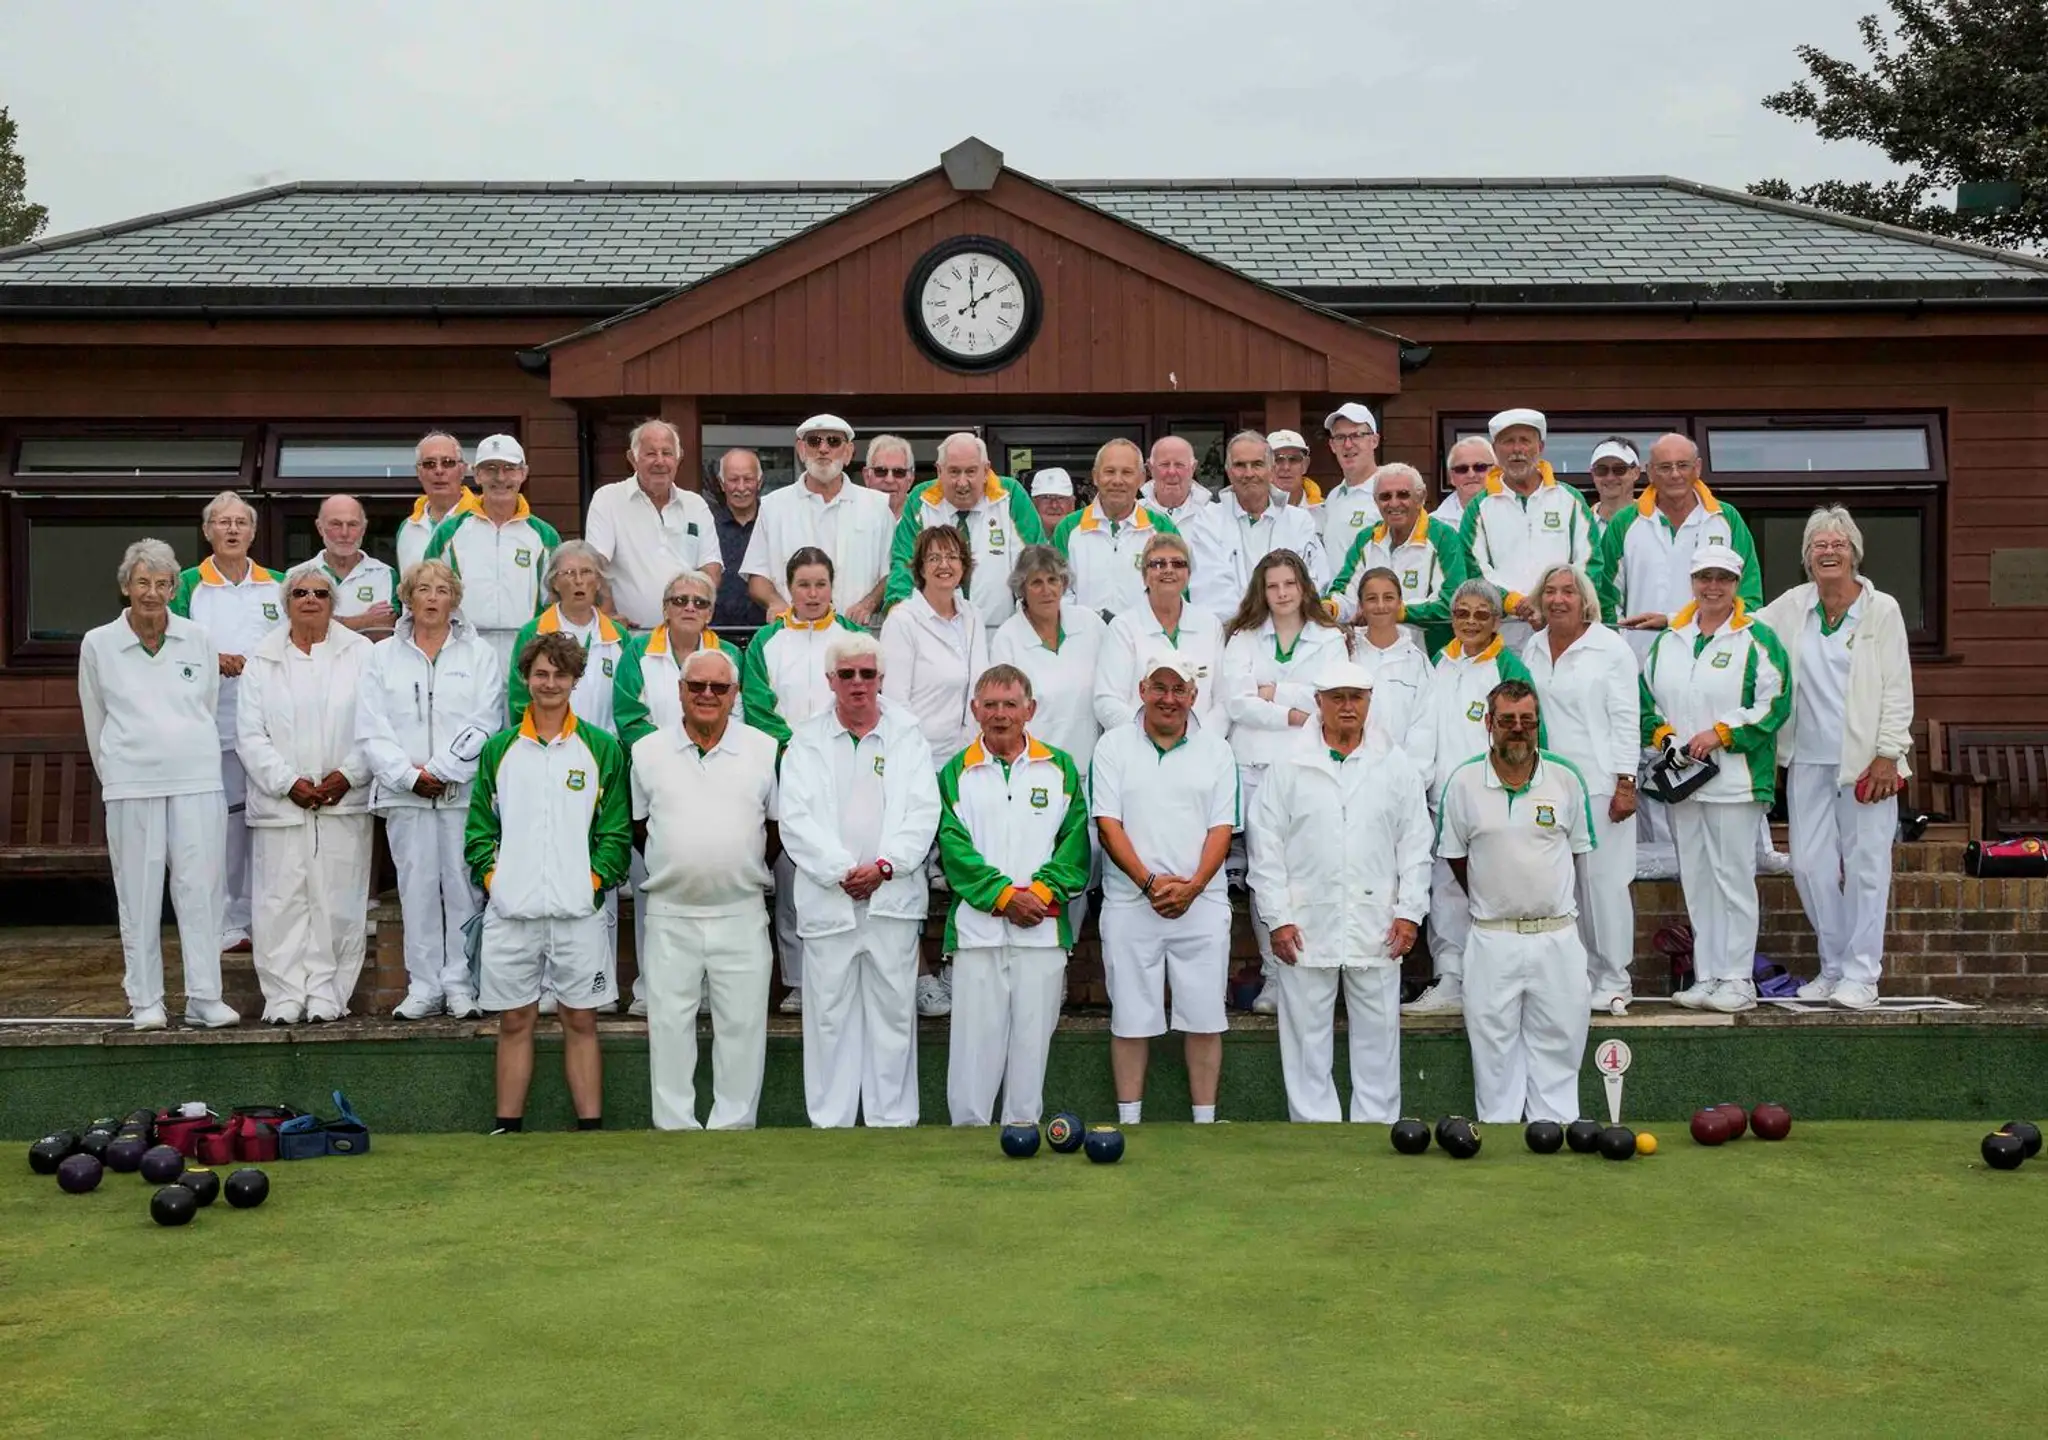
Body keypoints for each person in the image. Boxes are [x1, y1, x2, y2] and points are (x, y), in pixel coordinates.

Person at [1247, 660, 1430, 1122]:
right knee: (1306, 1037)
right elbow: (1265, 847)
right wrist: (1278, 917)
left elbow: (1415, 845)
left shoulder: (1396, 764)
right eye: (1337, 697)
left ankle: (1378, 1126)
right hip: (1306, 924)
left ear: (1370, 701)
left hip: (1378, 923)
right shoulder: (1287, 766)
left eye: (1356, 697)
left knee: (1379, 1035)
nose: (1347, 706)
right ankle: (1314, 1129)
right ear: (1319, 703)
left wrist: (1410, 913)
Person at [466, 631, 632, 1133]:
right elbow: (478, 830)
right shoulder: (498, 750)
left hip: (578, 912)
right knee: (515, 1020)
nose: (550, 683)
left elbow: (616, 831)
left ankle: (590, 1130)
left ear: (575, 680)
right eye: (541, 673)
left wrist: (592, 882)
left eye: (561, 674)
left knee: (580, 1020)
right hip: (512, 913)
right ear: (526, 678)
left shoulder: (601, 748)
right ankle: (507, 1126)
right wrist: (497, 880)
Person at [778, 633, 941, 1127]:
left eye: (867, 674)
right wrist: (841, 872)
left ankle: (892, 1119)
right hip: (830, 900)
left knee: (893, 1013)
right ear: (830, 680)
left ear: (880, 680)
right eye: (846, 674)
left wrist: (884, 868)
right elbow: (795, 819)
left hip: (891, 898)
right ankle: (831, 1120)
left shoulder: (908, 734)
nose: (857, 683)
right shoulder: (805, 739)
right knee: (828, 1017)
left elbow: (922, 812)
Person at [1759, 506, 1914, 1011]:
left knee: (1868, 867)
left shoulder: (1881, 609)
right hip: (1807, 759)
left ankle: (1863, 973)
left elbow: (1896, 687)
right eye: (1819, 545)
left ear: (1854, 553)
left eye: (1838, 544)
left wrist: (1889, 754)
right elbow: (1736, 625)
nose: (1829, 551)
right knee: (1808, 866)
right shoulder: (1793, 605)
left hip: (1868, 763)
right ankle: (1833, 966)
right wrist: (1674, 620)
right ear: (1806, 558)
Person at [79, 539, 239, 1031]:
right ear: (126, 586)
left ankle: (204, 998)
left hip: (195, 779)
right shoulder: (98, 643)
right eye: (142, 582)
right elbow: (95, 718)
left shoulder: (198, 638)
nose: (152, 593)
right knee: (139, 894)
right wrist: (119, 773)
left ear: (174, 588)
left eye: (162, 583)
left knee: (201, 891)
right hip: (131, 783)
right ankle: (145, 999)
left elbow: (205, 706)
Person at [631, 647, 781, 1129]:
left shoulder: (763, 748)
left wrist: (734, 865)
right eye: (697, 686)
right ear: (679, 691)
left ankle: (733, 1128)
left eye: (719, 687)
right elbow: (639, 827)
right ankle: (673, 1127)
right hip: (671, 912)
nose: (708, 695)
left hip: (741, 911)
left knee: (741, 1028)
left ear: (735, 694)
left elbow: (775, 831)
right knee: (669, 1028)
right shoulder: (645, 752)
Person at [936, 665, 1092, 1126]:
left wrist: (1039, 895)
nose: (1000, 714)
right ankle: (967, 1133)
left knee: (1031, 1042)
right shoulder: (955, 771)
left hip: (1041, 933)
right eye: (990, 704)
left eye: (1010, 704)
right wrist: (1004, 897)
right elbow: (953, 847)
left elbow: (1076, 843)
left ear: (1030, 710)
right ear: (974, 710)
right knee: (973, 1045)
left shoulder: (1059, 766)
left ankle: (1021, 1131)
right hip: (978, 934)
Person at [1436, 680, 1597, 1124]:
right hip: (1492, 937)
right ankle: (1499, 1130)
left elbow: (1578, 851)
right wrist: (1496, 897)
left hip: (1557, 935)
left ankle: (1558, 1129)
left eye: (1527, 721)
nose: (1518, 730)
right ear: (1489, 724)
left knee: (1561, 1043)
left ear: (1538, 725)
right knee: (1493, 1049)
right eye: (1507, 721)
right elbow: (1454, 856)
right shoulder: (1464, 781)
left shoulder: (1565, 777)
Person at [1639, 544, 1792, 1013]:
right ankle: (1706, 974)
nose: (1713, 586)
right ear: (1692, 582)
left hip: (1735, 781)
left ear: (1736, 584)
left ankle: (1738, 978)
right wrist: (1664, 735)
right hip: (1684, 780)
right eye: (1704, 577)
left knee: (1733, 878)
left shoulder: (1757, 638)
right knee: (1699, 879)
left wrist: (1722, 733)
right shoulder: (1671, 639)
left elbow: (1774, 703)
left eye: (1722, 578)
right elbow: (1647, 701)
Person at [1090, 652, 1239, 1124]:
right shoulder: (1112, 746)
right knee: (1131, 1018)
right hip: (1132, 903)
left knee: (1204, 1018)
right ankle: (1130, 1122)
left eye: (1179, 690)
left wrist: (1192, 887)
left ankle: (1205, 1124)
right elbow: (1108, 825)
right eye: (1160, 688)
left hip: (1203, 902)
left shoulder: (1217, 750)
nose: (1168, 699)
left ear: (1194, 696)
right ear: (1142, 690)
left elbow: (1222, 829)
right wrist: (1150, 883)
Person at [356, 558, 502, 1020]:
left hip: (460, 792)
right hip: (405, 794)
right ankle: (423, 986)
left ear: (455, 599)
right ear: (408, 597)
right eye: (423, 589)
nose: (433, 597)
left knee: (462, 886)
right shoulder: (381, 656)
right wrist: (410, 776)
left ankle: (460, 983)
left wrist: (443, 769)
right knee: (416, 888)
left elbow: (486, 722)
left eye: (442, 589)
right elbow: (371, 727)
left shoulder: (479, 655)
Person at [234, 567, 374, 1024]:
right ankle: (284, 996)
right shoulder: (262, 658)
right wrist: (287, 782)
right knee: (280, 902)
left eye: (320, 593)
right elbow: (250, 736)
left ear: (333, 602)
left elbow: (377, 725)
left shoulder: (361, 653)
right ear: (286, 602)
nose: (310, 599)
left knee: (337, 899)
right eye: (300, 592)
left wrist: (347, 775)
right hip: (281, 804)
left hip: (341, 800)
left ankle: (328, 994)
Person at [1220, 549, 1352, 1013]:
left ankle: (1314, 970)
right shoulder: (1242, 637)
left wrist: (1273, 692)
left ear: (1303, 588)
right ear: (1262, 589)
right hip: (1254, 767)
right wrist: (1294, 711)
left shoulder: (1330, 637)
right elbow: (1236, 701)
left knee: (1309, 869)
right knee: (1265, 875)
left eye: (1289, 585)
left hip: (1307, 768)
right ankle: (1276, 975)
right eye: (1272, 586)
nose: (1281, 594)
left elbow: (1330, 696)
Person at [739, 547, 868, 1014]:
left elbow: (869, 695)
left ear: (833, 587)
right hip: (788, 772)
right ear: (788, 588)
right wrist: (795, 748)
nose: (812, 594)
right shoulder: (766, 642)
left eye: (820, 584)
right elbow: (756, 706)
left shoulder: (853, 637)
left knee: (848, 871)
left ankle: (849, 973)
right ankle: (798, 980)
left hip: (848, 773)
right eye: (803, 585)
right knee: (794, 879)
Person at [1403, 579, 1540, 1017]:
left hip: (1492, 804)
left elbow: (1529, 736)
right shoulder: (1438, 662)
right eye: (1462, 613)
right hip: (1439, 802)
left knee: (1489, 891)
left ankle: (1494, 980)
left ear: (1498, 621)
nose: (1470, 622)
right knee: (1443, 891)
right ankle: (1451, 979)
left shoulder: (1509, 668)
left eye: (1482, 614)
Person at [1521, 564, 1641, 1014]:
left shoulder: (1611, 648)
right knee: (1561, 888)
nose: (1557, 599)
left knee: (1604, 885)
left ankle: (1614, 979)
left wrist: (1626, 782)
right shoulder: (1532, 647)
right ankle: (1576, 978)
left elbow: (1628, 718)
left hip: (1600, 784)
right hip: (1547, 785)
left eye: (1567, 591)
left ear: (1584, 599)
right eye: (1549, 591)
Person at [171, 490, 284, 954]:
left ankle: (261, 918)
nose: (232, 530)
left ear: (254, 532)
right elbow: (172, 645)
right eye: (223, 522)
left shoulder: (279, 582)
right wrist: (213, 659)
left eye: (241, 522)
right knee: (220, 828)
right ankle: (222, 921)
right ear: (207, 531)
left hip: (269, 728)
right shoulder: (186, 584)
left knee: (266, 824)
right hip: (210, 726)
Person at [1590, 433, 1761, 661]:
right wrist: (1620, 651)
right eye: (1664, 467)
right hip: (1638, 666)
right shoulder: (1624, 523)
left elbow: (1748, 598)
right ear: (1649, 472)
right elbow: (1603, 600)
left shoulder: (1727, 519)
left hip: (1712, 661)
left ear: (1697, 468)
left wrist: (1674, 621)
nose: (1675, 474)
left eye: (1683, 465)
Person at [422, 434, 558, 673]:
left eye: (509, 468)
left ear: (524, 473)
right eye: (490, 468)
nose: (500, 477)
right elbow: (425, 593)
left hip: (527, 662)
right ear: (476, 474)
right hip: (462, 659)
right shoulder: (450, 531)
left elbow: (556, 601)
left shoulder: (544, 536)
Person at [1459, 409, 1595, 647]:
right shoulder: (1479, 507)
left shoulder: (1570, 500)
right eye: (1508, 442)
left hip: (1563, 630)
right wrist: (1514, 602)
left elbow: (1590, 561)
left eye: (1525, 441)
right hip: (1502, 635)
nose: (1517, 450)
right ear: (1496, 449)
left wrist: (1552, 601)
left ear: (1540, 447)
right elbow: (1474, 568)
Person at [883, 432, 1044, 631]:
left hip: (1000, 633)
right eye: (954, 472)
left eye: (970, 471)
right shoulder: (919, 500)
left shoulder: (1011, 496)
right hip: (933, 632)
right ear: (939, 471)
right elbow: (904, 565)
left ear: (986, 471)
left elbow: (1036, 563)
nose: (962, 482)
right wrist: (899, 616)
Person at [741, 414, 894, 623]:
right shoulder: (773, 506)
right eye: (814, 441)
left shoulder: (877, 507)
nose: (823, 449)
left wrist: (868, 604)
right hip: (793, 633)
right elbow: (757, 576)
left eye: (833, 441)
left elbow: (893, 573)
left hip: (856, 635)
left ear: (848, 453)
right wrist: (775, 603)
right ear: (801, 450)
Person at [583, 419, 722, 632]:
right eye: (650, 454)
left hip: (686, 635)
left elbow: (710, 568)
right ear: (632, 458)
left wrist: (699, 612)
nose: (660, 461)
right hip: (630, 636)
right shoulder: (608, 499)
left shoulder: (696, 505)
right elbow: (595, 563)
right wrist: (608, 614)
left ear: (678, 458)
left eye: (667, 453)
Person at [990, 546, 1108, 783]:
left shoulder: (1091, 624)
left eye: (1053, 580)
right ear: (1022, 588)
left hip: (1092, 772)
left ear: (1064, 584)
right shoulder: (1007, 638)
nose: (1047, 591)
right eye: (1036, 583)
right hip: (1034, 773)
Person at [1095, 532, 1228, 739]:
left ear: (1189, 574)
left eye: (1178, 564)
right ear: (1145, 575)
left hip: (1201, 751)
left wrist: (1198, 740)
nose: (1168, 570)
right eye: (1158, 564)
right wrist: (1151, 737)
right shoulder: (1123, 627)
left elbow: (1224, 700)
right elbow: (1107, 700)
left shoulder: (1210, 626)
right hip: (1139, 749)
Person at [1325, 462, 1471, 650]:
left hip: (1429, 657)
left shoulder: (1444, 537)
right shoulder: (1366, 538)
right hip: (1370, 652)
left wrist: (1397, 611)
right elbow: (1346, 593)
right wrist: (1330, 608)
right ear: (1376, 502)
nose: (1394, 503)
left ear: (1421, 498)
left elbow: (1453, 601)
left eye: (1403, 495)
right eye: (1385, 497)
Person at [1185, 431, 1327, 617]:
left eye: (1257, 464)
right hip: (1230, 637)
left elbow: (1314, 582)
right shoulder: (1208, 520)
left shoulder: (1300, 521)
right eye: (1240, 465)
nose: (1249, 473)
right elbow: (1210, 592)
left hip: (1292, 635)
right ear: (1228, 471)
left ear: (1271, 469)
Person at [615, 568, 746, 750]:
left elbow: (737, 715)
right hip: (654, 760)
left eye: (700, 603)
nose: (690, 608)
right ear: (665, 609)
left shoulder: (730, 654)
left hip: (716, 759)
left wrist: (704, 752)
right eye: (680, 601)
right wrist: (672, 754)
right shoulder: (637, 650)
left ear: (709, 614)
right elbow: (629, 717)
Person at [505, 542, 629, 733]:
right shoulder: (532, 633)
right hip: (548, 749)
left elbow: (628, 701)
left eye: (587, 572)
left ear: (598, 581)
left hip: (606, 752)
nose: (579, 580)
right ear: (554, 582)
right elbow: (519, 699)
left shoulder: (619, 636)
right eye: (569, 573)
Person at [1053, 438, 1178, 618]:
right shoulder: (1069, 527)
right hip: (1085, 640)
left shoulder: (1162, 528)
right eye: (1109, 472)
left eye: (1127, 472)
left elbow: (1176, 591)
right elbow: (1057, 591)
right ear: (1095, 476)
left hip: (1145, 640)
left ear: (1141, 479)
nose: (1117, 480)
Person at [1353, 567, 1430, 752]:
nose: (1380, 606)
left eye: (1388, 597)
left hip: (1399, 777)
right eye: (1372, 598)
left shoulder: (1418, 663)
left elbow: (1424, 731)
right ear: (1361, 606)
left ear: (1400, 604)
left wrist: (1412, 777)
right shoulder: (1346, 652)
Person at [307, 495, 398, 640]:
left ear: (363, 528)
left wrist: (326, 621)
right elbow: (305, 629)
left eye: (352, 524)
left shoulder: (386, 574)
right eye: (336, 524)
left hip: (367, 662)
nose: (344, 533)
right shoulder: (298, 575)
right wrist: (366, 621)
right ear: (320, 528)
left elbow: (384, 630)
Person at [395, 431, 478, 580]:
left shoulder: (482, 519)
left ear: (463, 469)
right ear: (418, 472)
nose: (439, 470)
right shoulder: (407, 528)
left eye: (447, 462)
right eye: (429, 464)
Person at [709, 448, 767, 631]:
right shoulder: (707, 524)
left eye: (748, 479)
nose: (741, 488)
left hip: (766, 630)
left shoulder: (773, 522)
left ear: (759, 482)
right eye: (733, 480)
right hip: (715, 631)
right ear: (721, 483)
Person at [1316, 403, 1383, 558]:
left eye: (1356, 435)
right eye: (1340, 437)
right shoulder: (1334, 496)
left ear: (1374, 440)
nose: (1347, 445)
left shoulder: (1388, 493)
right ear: (1332, 445)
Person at [1138, 434, 1211, 527]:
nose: (1171, 472)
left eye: (1179, 465)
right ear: (1150, 467)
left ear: (1193, 468)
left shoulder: (1212, 515)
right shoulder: (1134, 513)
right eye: (1164, 464)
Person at [1587, 438, 1642, 546]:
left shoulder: (1654, 521)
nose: (1610, 477)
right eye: (1601, 470)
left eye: (1619, 469)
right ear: (1592, 474)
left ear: (1636, 473)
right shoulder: (1579, 524)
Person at [1434, 436, 1495, 529]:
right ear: (1451, 477)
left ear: (1496, 471)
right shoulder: (1433, 526)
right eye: (1462, 469)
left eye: (1480, 467)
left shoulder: (1517, 514)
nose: (1471, 475)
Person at [861, 433, 918, 520]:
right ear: (867, 477)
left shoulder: (925, 517)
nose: (889, 480)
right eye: (881, 471)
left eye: (898, 472)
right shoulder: (850, 516)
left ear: (910, 479)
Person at [1267, 429, 1321, 510]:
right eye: (1277, 459)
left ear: (1305, 465)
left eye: (1294, 459)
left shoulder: (1324, 511)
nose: (1286, 467)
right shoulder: (1250, 510)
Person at [1029, 467, 1076, 535]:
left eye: (1061, 498)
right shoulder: (1018, 540)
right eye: (1046, 497)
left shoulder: (1085, 540)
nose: (1054, 505)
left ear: (1072, 504)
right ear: (1033, 504)